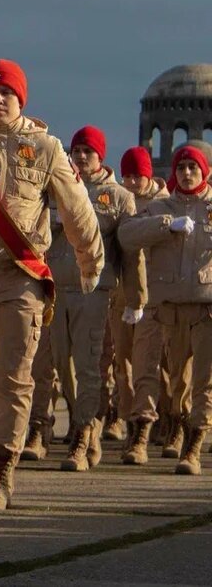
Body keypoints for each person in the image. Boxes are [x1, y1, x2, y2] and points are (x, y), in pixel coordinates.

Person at [0, 60, 102, 509]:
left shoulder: (46, 147)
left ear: (21, 99)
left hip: (21, 275)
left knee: (14, 375)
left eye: (7, 93)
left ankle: (2, 468)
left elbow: (77, 208)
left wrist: (90, 260)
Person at [44, 126, 143, 472]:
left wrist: (136, 298)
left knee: (88, 365)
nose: (82, 156)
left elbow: (130, 255)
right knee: (61, 364)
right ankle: (83, 421)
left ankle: (83, 435)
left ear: (101, 156)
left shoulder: (119, 197)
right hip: (57, 287)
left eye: (89, 151)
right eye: (77, 151)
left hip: (94, 291)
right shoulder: (56, 187)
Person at [119, 146, 212, 474]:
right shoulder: (160, 208)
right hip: (168, 309)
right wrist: (166, 225)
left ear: (204, 172)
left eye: (193, 168)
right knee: (171, 379)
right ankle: (156, 431)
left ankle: (194, 446)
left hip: (205, 308)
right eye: (181, 167)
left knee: (204, 381)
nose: (187, 173)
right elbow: (126, 235)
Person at [116, 146, 171, 464]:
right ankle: (130, 424)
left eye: (138, 175)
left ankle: (164, 421)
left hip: (155, 295)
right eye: (128, 176)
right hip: (123, 293)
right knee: (123, 365)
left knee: (156, 364)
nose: (132, 182)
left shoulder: (166, 205)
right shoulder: (119, 201)